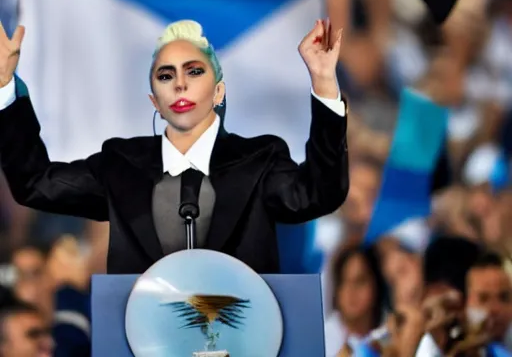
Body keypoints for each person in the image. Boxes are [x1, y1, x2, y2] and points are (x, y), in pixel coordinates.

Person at [0, 19, 349, 274]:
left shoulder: (260, 160)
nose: (180, 84)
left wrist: (324, 83)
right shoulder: (121, 164)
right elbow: (36, 184)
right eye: (166, 76)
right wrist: (4, 88)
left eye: (194, 72)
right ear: (155, 100)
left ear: (219, 91)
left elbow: (319, 192)